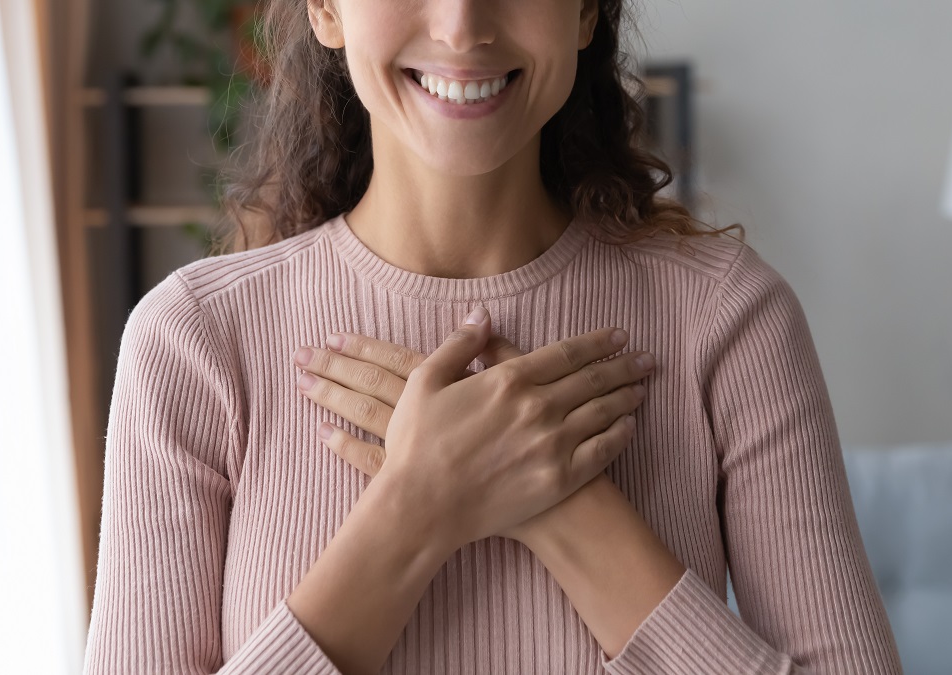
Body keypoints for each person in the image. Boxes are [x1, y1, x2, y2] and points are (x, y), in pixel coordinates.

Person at [83, 0, 903, 673]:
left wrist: (569, 509)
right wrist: (415, 509)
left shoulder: (728, 319)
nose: (461, 25)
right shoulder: (192, 342)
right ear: (326, 8)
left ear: (586, 12)